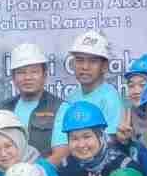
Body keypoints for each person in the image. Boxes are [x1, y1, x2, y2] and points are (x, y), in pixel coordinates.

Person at [52, 31, 125, 164]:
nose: (85, 67)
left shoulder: (110, 98)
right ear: (72, 64)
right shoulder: (70, 98)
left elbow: (110, 145)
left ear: (104, 66)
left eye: (93, 61)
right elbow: (61, 145)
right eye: (80, 60)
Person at [0, 43, 63, 157]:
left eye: (34, 72)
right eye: (21, 72)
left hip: (44, 168)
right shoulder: (2, 109)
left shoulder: (60, 108)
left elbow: (60, 154)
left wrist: (31, 169)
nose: (28, 77)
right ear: (13, 77)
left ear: (44, 75)